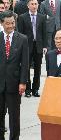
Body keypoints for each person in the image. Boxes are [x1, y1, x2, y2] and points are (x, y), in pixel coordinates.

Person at [0, 10, 29, 140]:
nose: (11, 26)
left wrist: (23, 82)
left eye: (12, 23)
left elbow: (25, 63)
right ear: (2, 23)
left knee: (14, 117)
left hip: (14, 84)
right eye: (7, 23)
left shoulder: (22, 39)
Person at [18, 0, 47, 97]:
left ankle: (35, 89)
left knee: (38, 69)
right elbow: (20, 33)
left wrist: (45, 46)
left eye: (36, 4)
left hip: (38, 45)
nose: (34, 6)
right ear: (28, 5)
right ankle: (28, 89)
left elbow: (44, 32)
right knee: (26, 68)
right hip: (27, 46)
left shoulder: (42, 17)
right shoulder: (22, 17)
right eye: (32, 4)